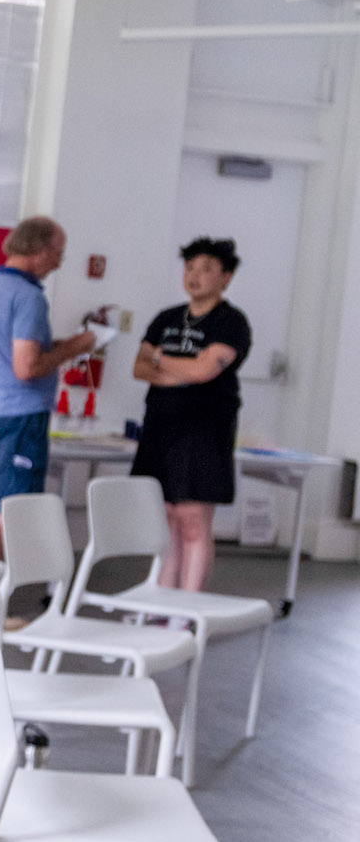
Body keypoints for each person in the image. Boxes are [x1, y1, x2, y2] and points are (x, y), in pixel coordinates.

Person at [0, 216, 98, 557]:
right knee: (5, 508)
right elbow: (26, 367)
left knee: (3, 503)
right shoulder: (28, 297)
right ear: (39, 250)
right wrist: (78, 346)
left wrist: (62, 344)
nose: (58, 262)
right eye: (58, 253)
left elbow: (15, 350)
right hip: (20, 416)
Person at [133, 237, 251, 593]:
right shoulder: (166, 318)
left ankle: (188, 608)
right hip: (159, 428)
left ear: (226, 278)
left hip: (203, 432)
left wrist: (160, 359)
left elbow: (204, 372)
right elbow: (139, 367)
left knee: (193, 521)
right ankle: (163, 601)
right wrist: (178, 368)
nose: (195, 276)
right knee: (166, 518)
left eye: (206, 270)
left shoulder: (230, 322)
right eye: (190, 268)